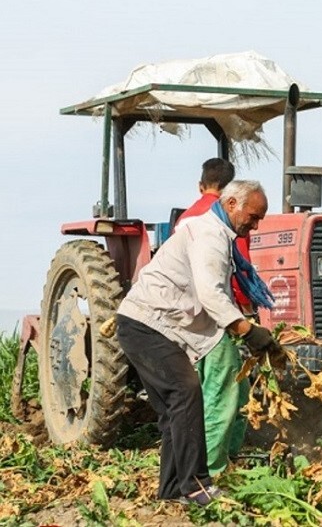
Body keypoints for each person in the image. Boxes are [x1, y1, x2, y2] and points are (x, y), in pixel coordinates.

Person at [116, 180, 281, 505]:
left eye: (261, 218)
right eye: (253, 215)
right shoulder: (210, 235)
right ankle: (196, 485)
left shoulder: (218, 234)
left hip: (150, 326)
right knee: (186, 392)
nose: (256, 223)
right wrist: (250, 331)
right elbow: (210, 295)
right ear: (231, 203)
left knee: (174, 413)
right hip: (146, 324)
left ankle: (172, 491)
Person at [177, 158, 253, 477]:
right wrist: (249, 314)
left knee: (234, 384)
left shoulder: (185, 218)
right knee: (222, 390)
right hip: (214, 315)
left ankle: (227, 453)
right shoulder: (228, 219)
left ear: (200, 185)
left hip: (184, 311)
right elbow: (242, 271)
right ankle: (209, 469)